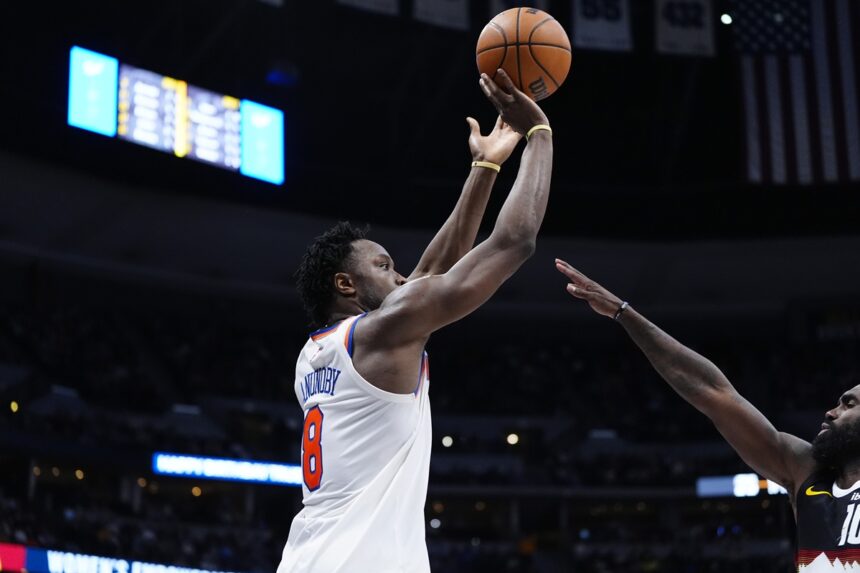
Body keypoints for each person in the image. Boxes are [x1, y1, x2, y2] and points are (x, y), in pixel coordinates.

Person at [277, 69, 554, 573]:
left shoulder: (316, 353)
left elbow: (430, 274)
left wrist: (485, 168)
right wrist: (539, 134)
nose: (401, 276)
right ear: (346, 285)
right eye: (384, 266)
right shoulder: (380, 333)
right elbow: (515, 242)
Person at [555, 258, 860, 572]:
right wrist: (624, 313)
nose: (831, 412)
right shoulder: (806, 469)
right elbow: (712, 393)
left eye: (849, 405)